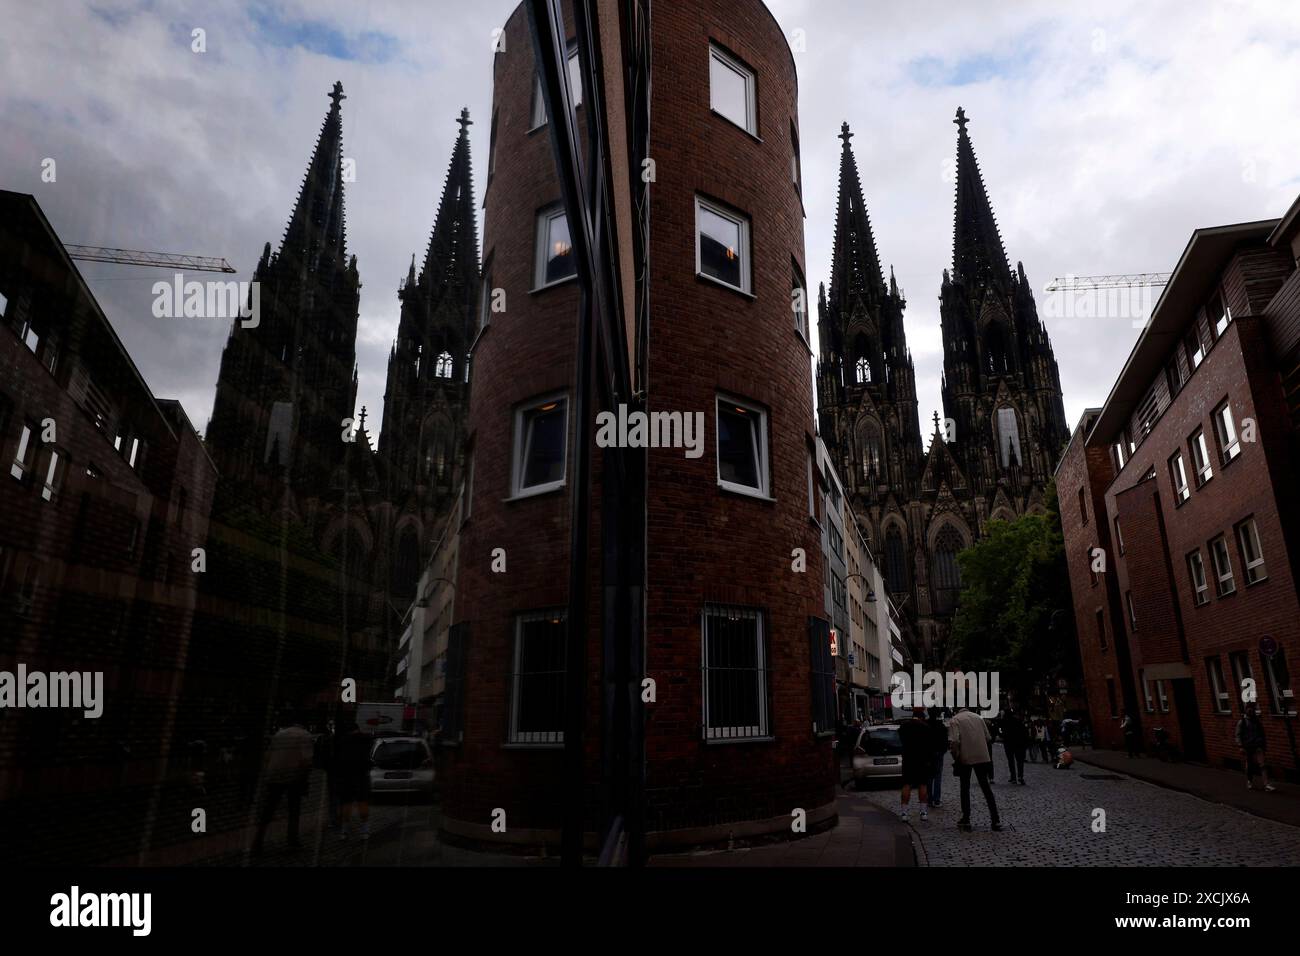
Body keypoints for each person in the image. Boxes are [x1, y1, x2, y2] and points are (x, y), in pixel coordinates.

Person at [252, 711, 315, 854]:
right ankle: (292, 840)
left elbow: (268, 755)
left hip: (274, 775)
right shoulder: (305, 736)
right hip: (293, 777)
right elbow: (306, 761)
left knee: (268, 810)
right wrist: (304, 778)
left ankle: (258, 840)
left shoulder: (280, 734)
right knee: (294, 810)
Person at [948, 706, 1001, 832]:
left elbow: (954, 741)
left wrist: (956, 755)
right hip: (982, 756)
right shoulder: (978, 718)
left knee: (965, 787)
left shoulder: (955, 720)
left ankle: (966, 818)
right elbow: (988, 737)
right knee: (986, 788)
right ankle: (995, 819)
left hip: (965, 757)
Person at [335, 716, 374, 838]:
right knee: (362, 802)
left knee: (346, 803)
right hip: (361, 776)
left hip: (346, 776)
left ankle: (344, 830)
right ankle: (365, 830)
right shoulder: (366, 739)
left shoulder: (342, 740)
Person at [897, 707, 932, 822]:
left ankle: (904, 813)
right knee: (922, 785)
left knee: (906, 785)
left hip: (908, 759)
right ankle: (923, 812)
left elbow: (901, 740)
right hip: (922, 760)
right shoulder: (925, 728)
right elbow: (929, 746)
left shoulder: (904, 727)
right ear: (922, 717)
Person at [1236, 703, 1276, 792]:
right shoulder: (1242, 722)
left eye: (1251, 709)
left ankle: (1266, 784)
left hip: (1258, 745)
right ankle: (1249, 781)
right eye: (1248, 709)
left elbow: (1262, 733)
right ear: (1245, 710)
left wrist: (1263, 744)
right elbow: (1238, 735)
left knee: (1263, 765)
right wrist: (1240, 746)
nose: (1250, 710)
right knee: (1250, 765)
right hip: (1248, 746)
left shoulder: (1257, 721)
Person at [1001, 707, 1027, 784]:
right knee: (1019, 761)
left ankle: (1013, 777)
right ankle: (1020, 776)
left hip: (1009, 744)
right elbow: (1024, 732)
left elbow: (1002, 733)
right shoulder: (1018, 721)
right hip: (1019, 744)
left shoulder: (1004, 722)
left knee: (1011, 761)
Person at [928, 709, 948, 808]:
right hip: (939, 752)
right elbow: (946, 741)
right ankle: (936, 799)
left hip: (929, 753)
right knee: (937, 776)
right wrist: (942, 751)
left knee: (929, 776)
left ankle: (929, 799)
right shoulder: (942, 726)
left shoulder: (926, 726)